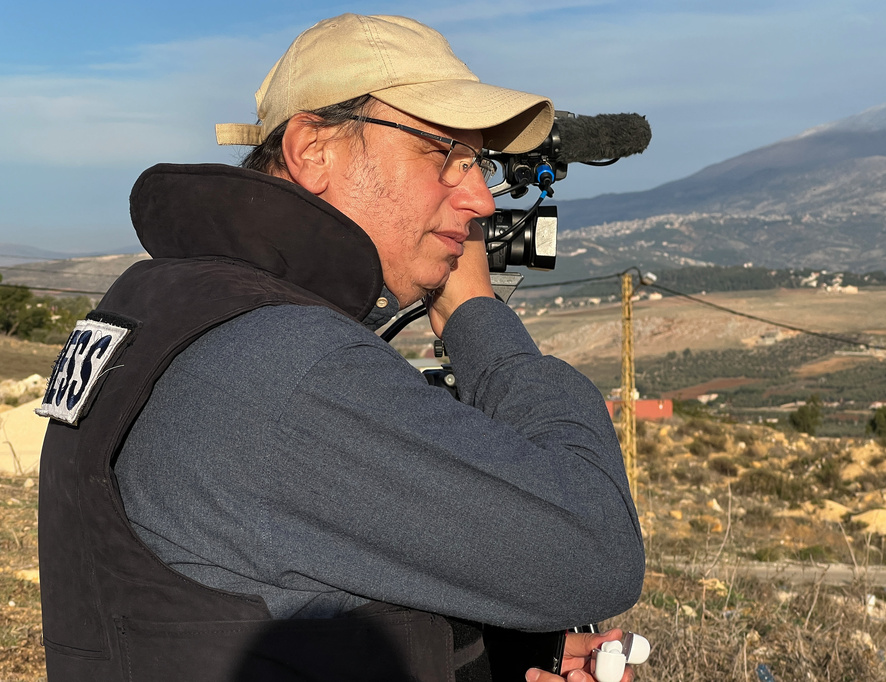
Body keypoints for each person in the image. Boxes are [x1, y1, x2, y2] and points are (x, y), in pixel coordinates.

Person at [36, 13, 645, 682]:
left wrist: (506, 658)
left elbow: (262, 579)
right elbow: (595, 551)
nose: (479, 200)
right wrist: (475, 313)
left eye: (482, 164)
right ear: (315, 150)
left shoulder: (168, 300)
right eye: (444, 153)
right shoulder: (288, 365)